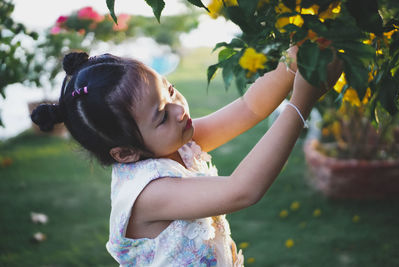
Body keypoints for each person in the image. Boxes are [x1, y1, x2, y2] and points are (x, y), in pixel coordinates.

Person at [31, 48, 341, 266]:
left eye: (171, 91)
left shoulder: (171, 143)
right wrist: (301, 102)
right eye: (162, 115)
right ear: (125, 152)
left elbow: (249, 107)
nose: (180, 111)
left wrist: (293, 62)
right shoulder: (150, 193)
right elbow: (243, 190)